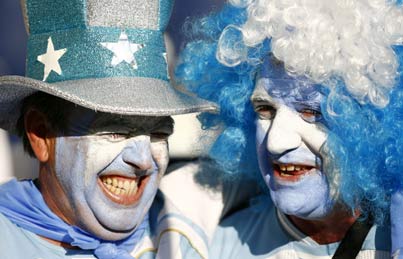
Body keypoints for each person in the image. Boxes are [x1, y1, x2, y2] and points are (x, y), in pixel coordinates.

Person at [176, 0, 403, 258]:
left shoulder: (395, 239)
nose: (276, 142)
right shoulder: (211, 247)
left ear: (371, 125)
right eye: (264, 109)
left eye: (311, 112)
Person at [0, 0, 217, 258]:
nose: (143, 160)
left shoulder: (187, 237)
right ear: (42, 135)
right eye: (115, 132)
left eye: (159, 133)